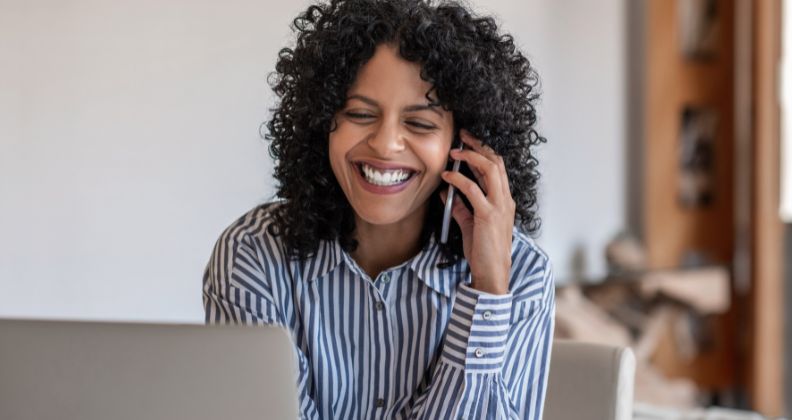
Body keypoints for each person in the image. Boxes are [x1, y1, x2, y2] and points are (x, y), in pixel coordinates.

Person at [202, 0, 555, 418]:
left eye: (420, 123)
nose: (386, 144)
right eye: (360, 113)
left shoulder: (523, 278)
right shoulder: (253, 257)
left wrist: (489, 293)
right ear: (321, 122)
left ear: (463, 149)